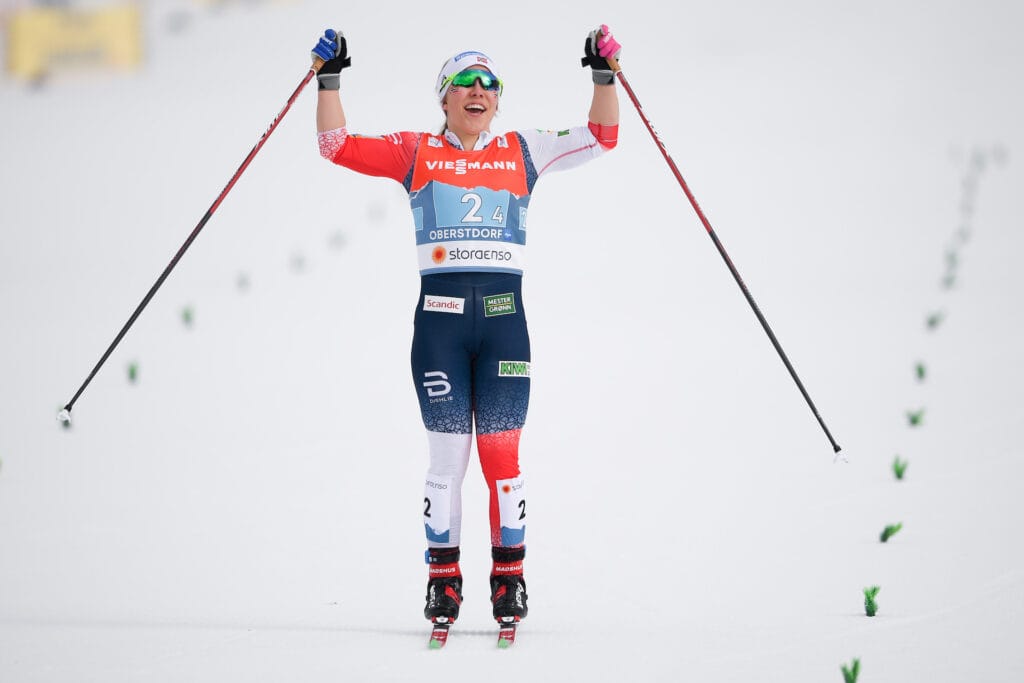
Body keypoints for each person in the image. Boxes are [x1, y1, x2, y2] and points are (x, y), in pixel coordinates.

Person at [311, 25, 621, 630]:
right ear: (444, 97)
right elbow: (335, 145)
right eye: (464, 83)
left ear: (498, 100)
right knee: (447, 461)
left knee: (502, 457)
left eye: (489, 84)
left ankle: (510, 580)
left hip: (506, 328)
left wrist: (603, 76)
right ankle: (443, 582)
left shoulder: (524, 149)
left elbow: (603, 137)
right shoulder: (415, 151)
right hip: (440, 330)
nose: (477, 91)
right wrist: (329, 79)